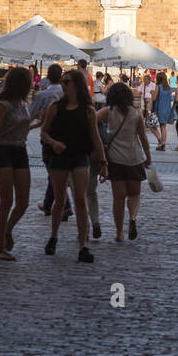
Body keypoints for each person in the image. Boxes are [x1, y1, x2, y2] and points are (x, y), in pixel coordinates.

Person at [40, 68, 107, 262]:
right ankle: (53, 237)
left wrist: (103, 163)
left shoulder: (88, 111)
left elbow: (95, 138)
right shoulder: (55, 107)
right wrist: (54, 143)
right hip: (59, 158)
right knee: (59, 200)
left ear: (76, 85)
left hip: (80, 157)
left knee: (80, 199)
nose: (63, 85)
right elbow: (44, 132)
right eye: (62, 81)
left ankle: (83, 245)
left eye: (66, 82)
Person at [97, 82, 152, 242]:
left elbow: (92, 119)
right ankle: (133, 217)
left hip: (115, 160)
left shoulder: (108, 111)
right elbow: (143, 138)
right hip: (134, 158)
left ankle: (119, 233)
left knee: (118, 198)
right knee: (134, 194)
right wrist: (148, 156)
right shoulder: (136, 113)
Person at [0, 64, 32, 261]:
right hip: (5, 151)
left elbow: (22, 127)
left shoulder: (24, 104)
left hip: (20, 150)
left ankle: (7, 230)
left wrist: (38, 123)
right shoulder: (4, 105)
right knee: (7, 201)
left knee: (23, 202)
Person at [30, 63, 72, 220]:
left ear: (47, 77)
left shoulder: (43, 95)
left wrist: (39, 119)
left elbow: (30, 114)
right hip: (67, 138)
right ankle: (48, 205)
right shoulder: (68, 93)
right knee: (55, 171)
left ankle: (66, 205)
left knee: (53, 171)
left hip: (49, 138)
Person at [153, 70, 174, 150]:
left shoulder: (158, 86)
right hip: (167, 109)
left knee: (151, 126)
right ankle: (163, 144)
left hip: (159, 109)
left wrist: (152, 93)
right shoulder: (168, 87)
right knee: (163, 127)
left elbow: (154, 98)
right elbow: (171, 98)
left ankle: (160, 142)